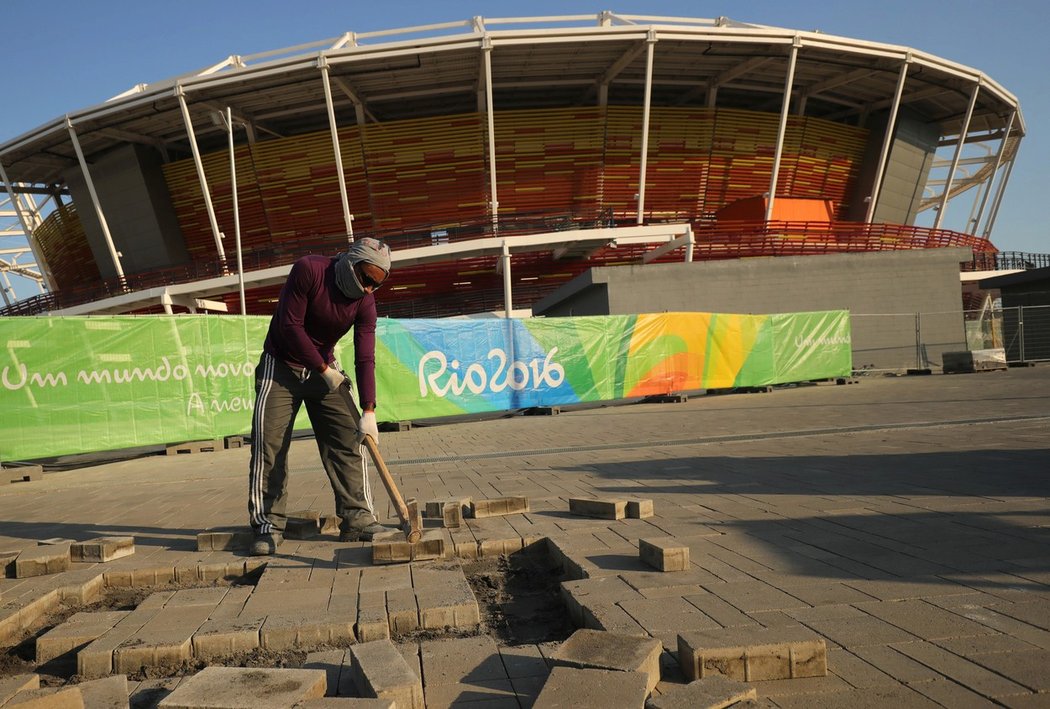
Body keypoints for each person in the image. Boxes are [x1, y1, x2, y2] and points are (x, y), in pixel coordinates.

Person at [247, 236, 393, 556]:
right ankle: (268, 525)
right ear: (351, 263)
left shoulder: (364, 302)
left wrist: (368, 410)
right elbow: (290, 326)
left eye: (377, 285)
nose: (369, 289)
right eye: (367, 279)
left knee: (347, 439)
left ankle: (358, 519)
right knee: (269, 445)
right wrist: (322, 368)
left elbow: (365, 357)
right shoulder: (310, 271)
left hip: (325, 370)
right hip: (281, 366)